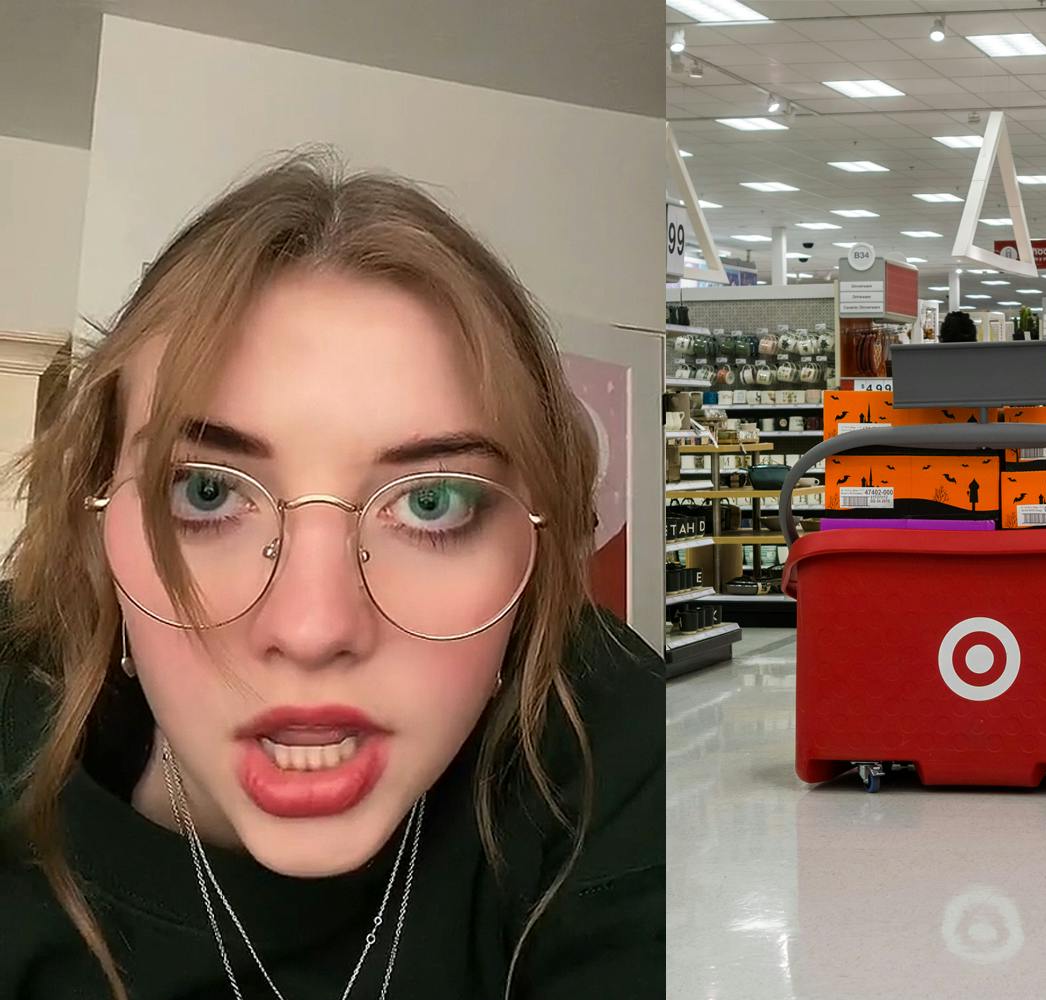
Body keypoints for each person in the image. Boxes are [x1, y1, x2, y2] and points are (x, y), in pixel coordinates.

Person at [0, 156, 666, 998]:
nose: (313, 630)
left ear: (535, 550)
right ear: (98, 520)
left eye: (430, 502)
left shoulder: (624, 752)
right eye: (207, 491)